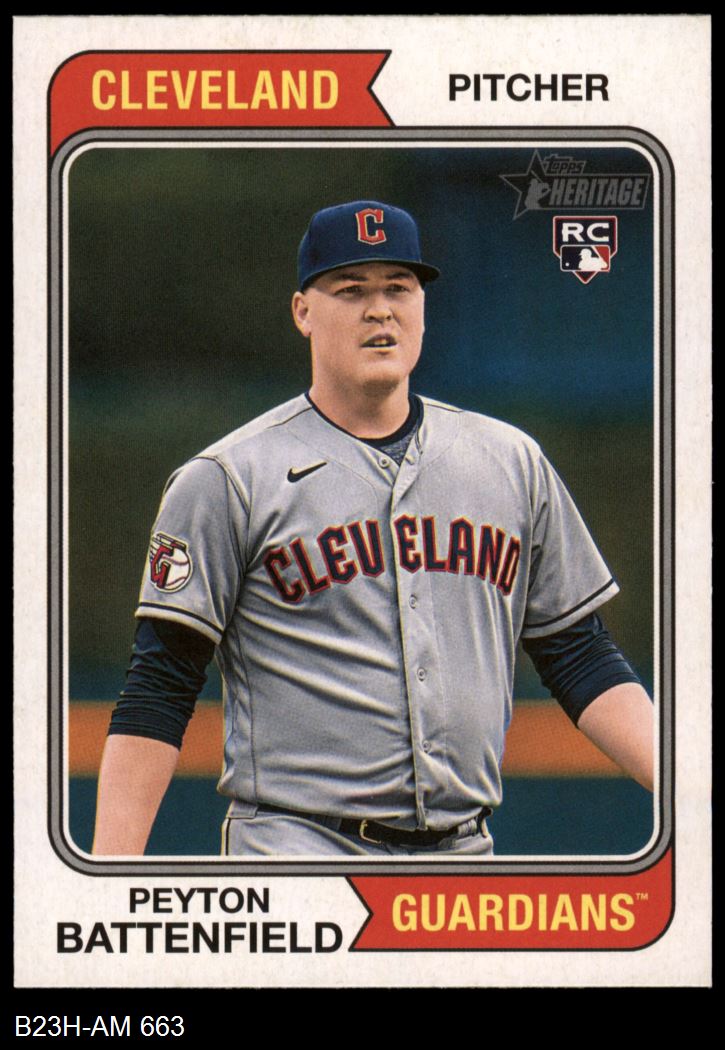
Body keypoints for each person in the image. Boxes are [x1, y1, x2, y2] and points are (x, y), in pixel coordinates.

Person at [93, 200, 654, 858]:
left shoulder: (509, 461)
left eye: (399, 288)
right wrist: (107, 877)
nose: (379, 310)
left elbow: (579, 654)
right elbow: (160, 685)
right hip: (297, 849)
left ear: (423, 307)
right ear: (303, 311)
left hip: (462, 856)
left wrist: (687, 788)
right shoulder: (228, 478)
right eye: (351, 290)